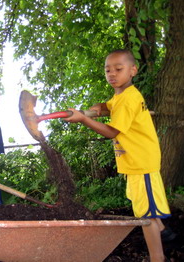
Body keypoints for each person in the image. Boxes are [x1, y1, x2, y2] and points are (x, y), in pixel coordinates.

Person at [63, 49, 172, 262]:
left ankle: (157, 258)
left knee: (146, 216)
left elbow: (112, 131)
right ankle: (166, 233)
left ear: (133, 70)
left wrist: (84, 119)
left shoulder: (129, 99)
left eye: (118, 69)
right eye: (107, 70)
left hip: (141, 163)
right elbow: (109, 107)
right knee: (143, 204)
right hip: (135, 163)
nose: (112, 74)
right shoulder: (122, 95)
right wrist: (97, 109)